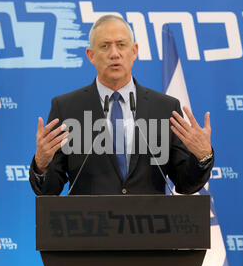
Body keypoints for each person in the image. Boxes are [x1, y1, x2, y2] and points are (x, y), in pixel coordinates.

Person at [29, 15, 214, 196]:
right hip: (89, 224)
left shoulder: (165, 108)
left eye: (121, 44)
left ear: (134, 51)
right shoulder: (67, 108)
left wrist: (202, 157)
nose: (114, 53)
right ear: (91, 55)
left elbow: (186, 185)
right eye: (104, 46)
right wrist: (41, 165)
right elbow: (49, 191)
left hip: (150, 223)